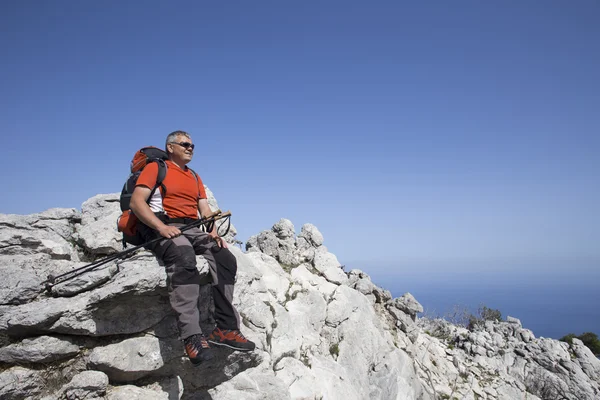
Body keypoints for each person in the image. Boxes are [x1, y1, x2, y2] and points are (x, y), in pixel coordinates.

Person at [130, 130, 255, 365]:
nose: (190, 148)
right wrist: (160, 227)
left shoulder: (194, 176)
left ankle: (226, 329)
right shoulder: (156, 168)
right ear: (170, 147)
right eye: (185, 144)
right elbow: (137, 202)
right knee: (183, 256)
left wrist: (213, 231)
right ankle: (192, 336)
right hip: (162, 225)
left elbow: (205, 210)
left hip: (192, 227)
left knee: (225, 257)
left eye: (192, 145)